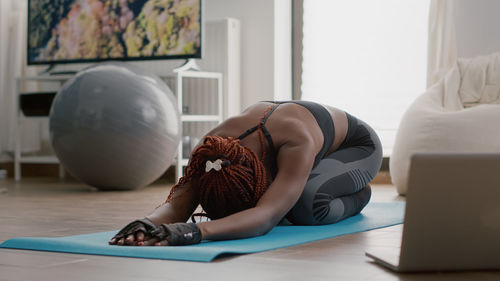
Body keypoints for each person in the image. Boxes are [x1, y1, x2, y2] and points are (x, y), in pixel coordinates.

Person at [109, 100, 382, 246]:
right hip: (305, 148)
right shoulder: (209, 149)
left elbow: (265, 217)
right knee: (289, 200)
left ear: (260, 177)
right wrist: (146, 224)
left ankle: (360, 193)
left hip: (357, 148)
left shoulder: (295, 141)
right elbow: (177, 204)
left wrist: (194, 232)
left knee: (307, 207)